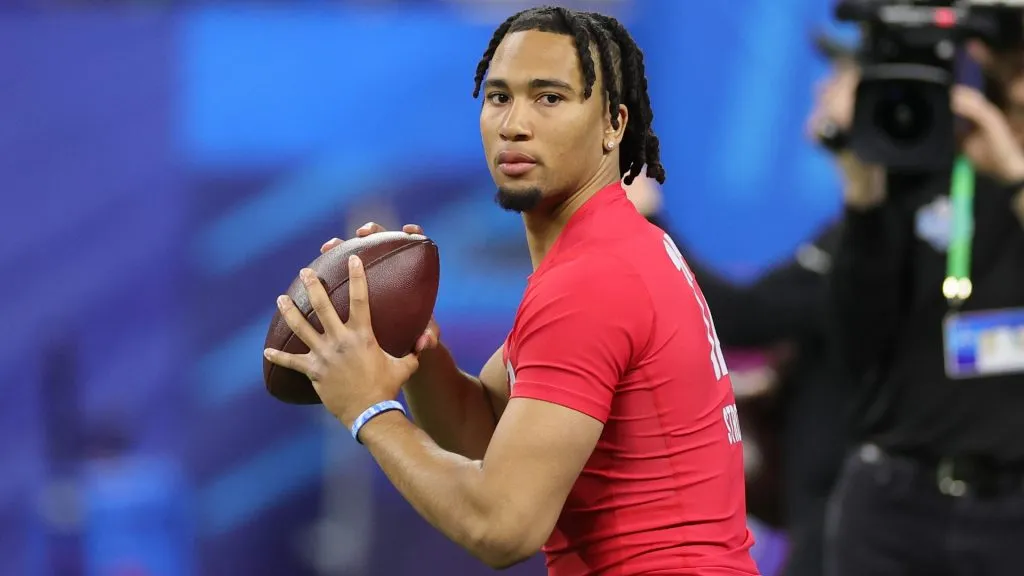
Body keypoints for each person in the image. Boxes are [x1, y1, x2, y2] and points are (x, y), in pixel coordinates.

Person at [263, 6, 759, 575]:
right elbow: (485, 435)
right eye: (499, 97)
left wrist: (370, 410)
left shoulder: (591, 281)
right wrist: (412, 346)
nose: (514, 124)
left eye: (549, 98)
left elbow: (502, 527)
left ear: (613, 125)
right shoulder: (612, 248)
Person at [822, 29, 1024, 576]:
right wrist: (864, 197)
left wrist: (1015, 178)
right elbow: (856, 340)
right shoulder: (920, 173)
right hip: (896, 506)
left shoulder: (1005, 175)